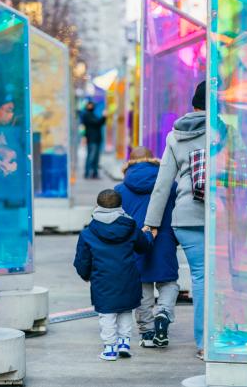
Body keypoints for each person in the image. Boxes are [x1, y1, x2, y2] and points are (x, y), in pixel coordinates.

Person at [144, 80, 207, 360]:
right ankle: (220, 335)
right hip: (220, 216)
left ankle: (205, 342)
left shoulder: (174, 136)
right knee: (221, 279)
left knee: (200, 277)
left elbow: (162, 183)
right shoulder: (225, 132)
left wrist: (152, 223)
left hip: (184, 216)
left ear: (193, 105)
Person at [73, 189, 154, 361]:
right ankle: (124, 342)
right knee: (125, 310)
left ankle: (110, 348)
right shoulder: (130, 227)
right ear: (120, 206)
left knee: (107, 314)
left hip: (102, 279)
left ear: (97, 206)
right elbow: (143, 247)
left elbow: (82, 261)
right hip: (128, 277)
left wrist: (86, 275)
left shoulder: (88, 233)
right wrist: (148, 234)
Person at [115, 146, 179, 349]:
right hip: (164, 240)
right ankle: (163, 313)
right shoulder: (170, 185)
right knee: (168, 283)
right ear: (153, 160)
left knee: (141, 288)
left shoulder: (120, 190)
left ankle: (148, 333)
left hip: (134, 244)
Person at [81, 101, 106, 179]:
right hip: (92, 139)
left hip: (96, 139)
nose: (91, 107)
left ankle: (94, 173)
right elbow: (97, 123)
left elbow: (99, 123)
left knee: (95, 158)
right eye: (89, 105)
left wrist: (104, 117)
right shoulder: (87, 115)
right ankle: (87, 173)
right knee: (91, 157)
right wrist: (103, 116)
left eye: (92, 105)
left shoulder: (92, 114)